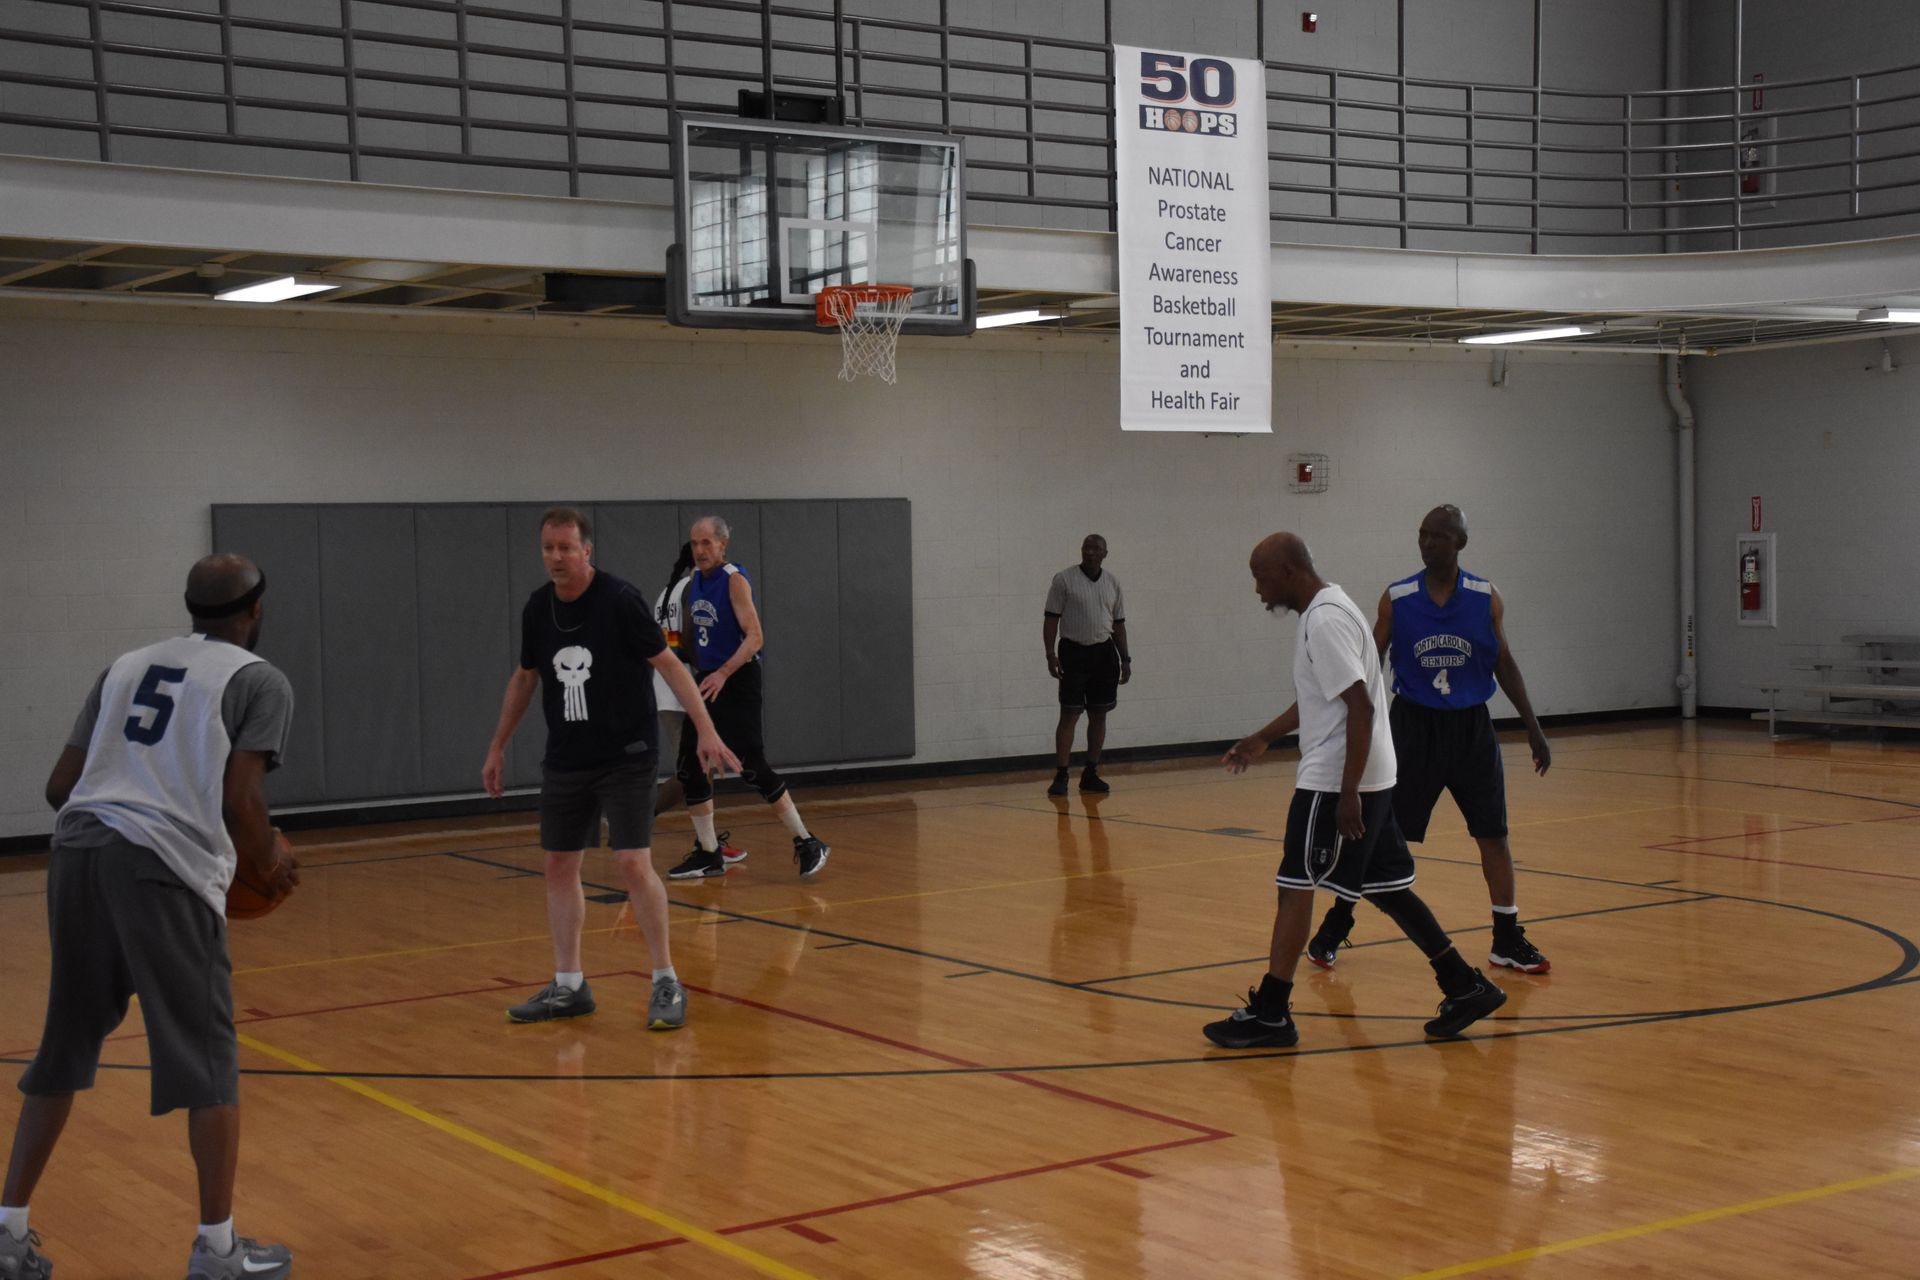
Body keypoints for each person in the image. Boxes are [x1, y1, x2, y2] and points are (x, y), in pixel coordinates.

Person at [2, 554, 302, 1280]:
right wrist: (271, 866)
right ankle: (219, 1251)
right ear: (256, 610)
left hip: (76, 852)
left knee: (64, 1046)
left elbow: (60, 786)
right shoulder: (259, 679)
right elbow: (241, 802)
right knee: (207, 1059)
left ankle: (7, 1233)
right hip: (159, 867)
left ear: (191, 608)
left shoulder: (126, 664)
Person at [1202, 533, 1507, 1050]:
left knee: (1295, 885)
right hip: (1370, 775)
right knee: (1388, 888)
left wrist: (1347, 793)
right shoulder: (1333, 607)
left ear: (1290, 571)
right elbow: (1328, 694)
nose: (1257, 589)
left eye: (1261, 577)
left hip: (1336, 779)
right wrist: (1264, 738)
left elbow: (1361, 707)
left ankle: (1272, 1013)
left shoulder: (1323, 620)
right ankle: (1463, 984)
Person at [481, 508, 740, 1029]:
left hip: (627, 753)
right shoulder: (538, 608)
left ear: (586, 551)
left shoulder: (619, 600)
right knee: (558, 865)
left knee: (630, 861)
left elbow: (669, 665)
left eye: (565, 548)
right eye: (548, 549)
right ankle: (569, 985)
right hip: (568, 757)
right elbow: (526, 678)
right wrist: (497, 746)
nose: (556, 557)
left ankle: (666, 978)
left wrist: (706, 729)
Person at [1306, 505, 1553, 975]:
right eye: (1422, 535)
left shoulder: (1485, 596)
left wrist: (1533, 726)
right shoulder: (1397, 598)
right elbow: (1369, 666)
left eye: (1437, 536)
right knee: (1375, 834)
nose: (1426, 543)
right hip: (1413, 728)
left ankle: (1506, 937)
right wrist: (1353, 726)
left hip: (1472, 730)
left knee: (1494, 835)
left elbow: (1504, 662)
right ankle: (1335, 925)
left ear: (1459, 542)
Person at [664, 515, 830, 881]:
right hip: (707, 680)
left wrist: (724, 672)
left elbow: (755, 637)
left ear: (723, 545)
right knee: (690, 766)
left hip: (737, 678)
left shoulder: (733, 580)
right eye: (695, 543)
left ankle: (807, 841)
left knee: (751, 764)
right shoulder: (693, 582)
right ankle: (709, 854)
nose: (700, 550)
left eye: (707, 543)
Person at [1042, 534, 1131, 796]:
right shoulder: (1064, 580)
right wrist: (1050, 654)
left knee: (1099, 714)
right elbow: (1050, 620)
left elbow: (1118, 624)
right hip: (1073, 652)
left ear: (1105, 553)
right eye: (1086, 548)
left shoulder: (1113, 583)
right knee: (1069, 714)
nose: (1090, 552)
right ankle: (1061, 774)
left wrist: (1125, 658)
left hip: (1104, 653)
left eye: (1096, 549)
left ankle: (1091, 772)